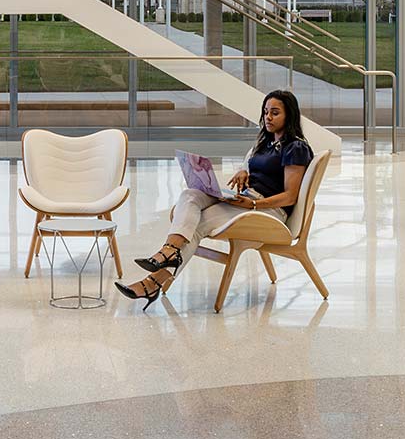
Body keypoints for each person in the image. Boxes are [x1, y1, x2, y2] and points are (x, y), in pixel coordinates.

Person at [117, 89, 313, 307]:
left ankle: (152, 283)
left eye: (275, 113)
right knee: (191, 194)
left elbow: (290, 196)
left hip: (267, 211)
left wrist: (255, 204)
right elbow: (257, 166)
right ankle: (170, 250)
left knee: (197, 224)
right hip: (247, 200)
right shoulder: (266, 141)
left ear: (290, 115)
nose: (268, 117)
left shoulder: (296, 147)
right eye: (266, 112)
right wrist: (244, 171)